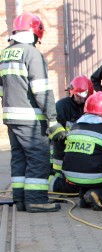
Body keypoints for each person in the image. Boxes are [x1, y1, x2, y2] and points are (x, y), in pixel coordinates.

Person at [0, 12, 62, 212]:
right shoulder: (32, 54)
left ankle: (20, 199)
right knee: (37, 158)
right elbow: (41, 90)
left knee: (19, 158)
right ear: (35, 32)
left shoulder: (5, 54)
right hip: (31, 119)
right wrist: (52, 119)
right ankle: (36, 200)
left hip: (11, 118)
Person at [50, 91, 102, 211]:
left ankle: (85, 198)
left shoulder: (75, 126)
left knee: (90, 166)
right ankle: (101, 195)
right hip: (96, 176)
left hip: (71, 177)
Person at [52, 75, 94, 178]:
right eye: (78, 95)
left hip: (82, 148)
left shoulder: (90, 106)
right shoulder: (61, 106)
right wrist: (64, 137)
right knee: (59, 174)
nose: (82, 99)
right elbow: (53, 127)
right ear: (72, 93)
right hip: (62, 148)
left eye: (84, 96)